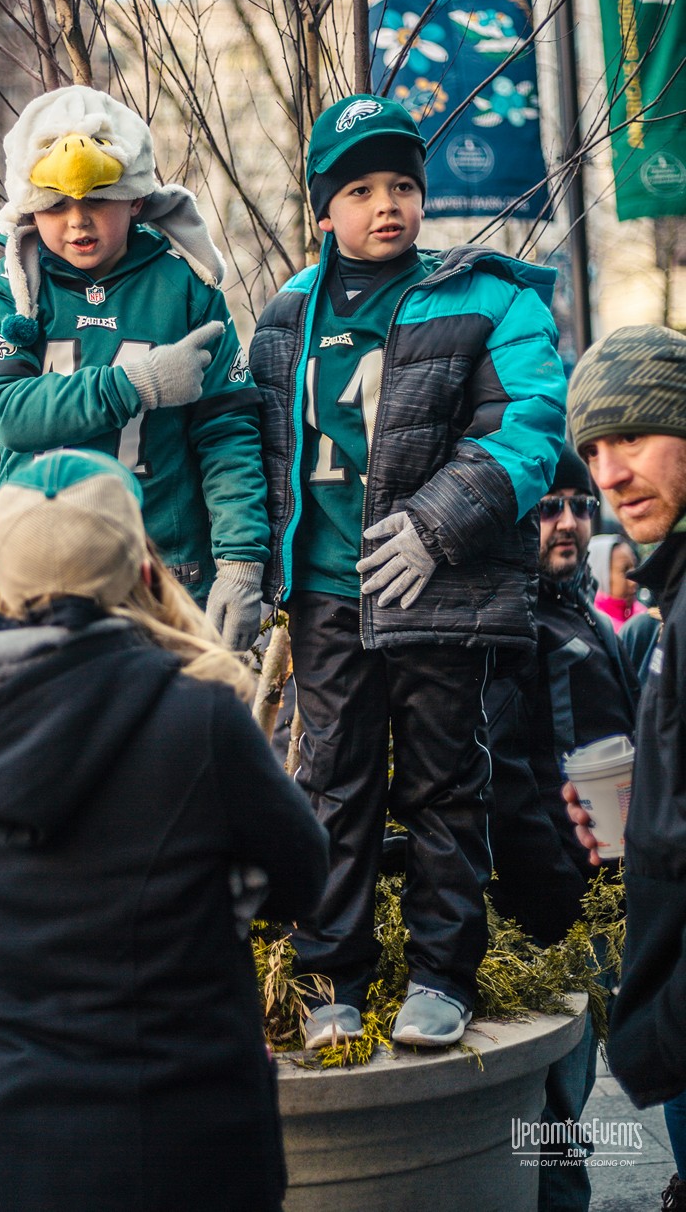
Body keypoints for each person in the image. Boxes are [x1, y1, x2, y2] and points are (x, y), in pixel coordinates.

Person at [0, 449, 328, 1212]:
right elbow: (303, 876)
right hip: (193, 1137)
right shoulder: (199, 720)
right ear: (143, 572)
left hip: (27, 1151)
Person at [249, 92, 566, 1050]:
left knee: (444, 783)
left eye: (402, 185)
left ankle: (442, 975)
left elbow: (528, 426)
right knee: (332, 784)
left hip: (440, 583)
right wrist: (246, 564)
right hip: (326, 592)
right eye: (359, 188)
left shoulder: (489, 297)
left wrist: (437, 525)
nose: (385, 204)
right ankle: (330, 982)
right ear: (322, 210)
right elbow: (256, 447)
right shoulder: (284, 315)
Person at [0, 85, 269, 652]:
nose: (77, 221)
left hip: (163, 576)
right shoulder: (11, 288)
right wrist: (139, 384)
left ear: (136, 198)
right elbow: (8, 414)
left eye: (98, 199)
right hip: (43, 572)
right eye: (56, 203)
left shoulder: (186, 287)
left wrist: (239, 558)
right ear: (30, 206)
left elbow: (227, 435)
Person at [486, 443, 637, 1212]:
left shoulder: (581, 612)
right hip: (552, 916)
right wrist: (554, 898)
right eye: (551, 507)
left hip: (608, 898)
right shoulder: (514, 620)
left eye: (581, 507)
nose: (571, 523)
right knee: (550, 1118)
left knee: (568, 1110)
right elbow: (507, 773)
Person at [564, 324, 686, 1212]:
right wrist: (644, 808)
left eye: (633, 437)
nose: (608, 476)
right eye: (595, 450)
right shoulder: (669, 595)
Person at [585, 532, 645, 628]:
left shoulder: (645, 617)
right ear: (599, 574)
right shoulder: (593, 627)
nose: (633, 582)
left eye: (634, 567)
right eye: (624, 570)